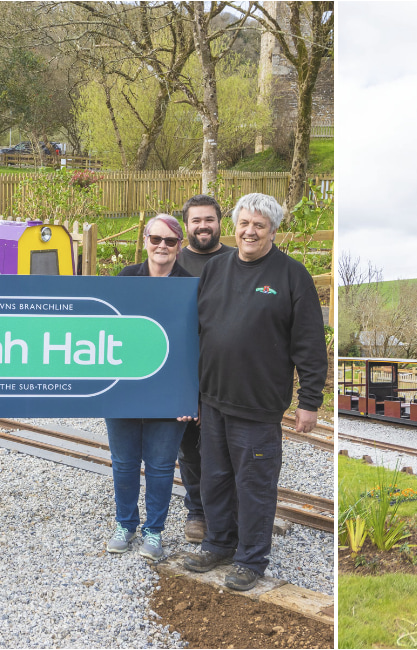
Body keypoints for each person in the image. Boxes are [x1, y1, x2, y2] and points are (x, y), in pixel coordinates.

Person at [182, 193, 327, 591]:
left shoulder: (291, 276)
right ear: (235, 226)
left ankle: (251, 559)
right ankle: (219, 543)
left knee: (254, 486)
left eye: (259, 226)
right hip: (212, 400)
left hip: (258, 406)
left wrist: (309, 401)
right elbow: (197, 330)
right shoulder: (215, 269)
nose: (250, 231)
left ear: (272, 231)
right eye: (244, 223)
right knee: (214, 479)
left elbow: (310, 344)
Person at [104, 214, 196, 561]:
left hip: (169, 393)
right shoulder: (127, 278)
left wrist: (191, 397)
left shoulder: (190, 285)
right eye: (156, 239)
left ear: (179, 247)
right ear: (144, 240)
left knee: (160, 466)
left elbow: (197, 345)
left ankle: (154, 532)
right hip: (124, 389)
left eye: (170, 241)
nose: (162, 246)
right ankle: (125, 524)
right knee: (124, 463)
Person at [173, 194, 236, 544]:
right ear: (187, 225)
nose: (202, 226)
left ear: (219, 222)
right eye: (196, 220)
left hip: (224, 372)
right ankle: (197, 512)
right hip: (184, 372)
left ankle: (227, 515)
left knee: (225, 450)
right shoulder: (174, 260)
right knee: (192, 450)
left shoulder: (235, 259)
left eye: (209, 219)